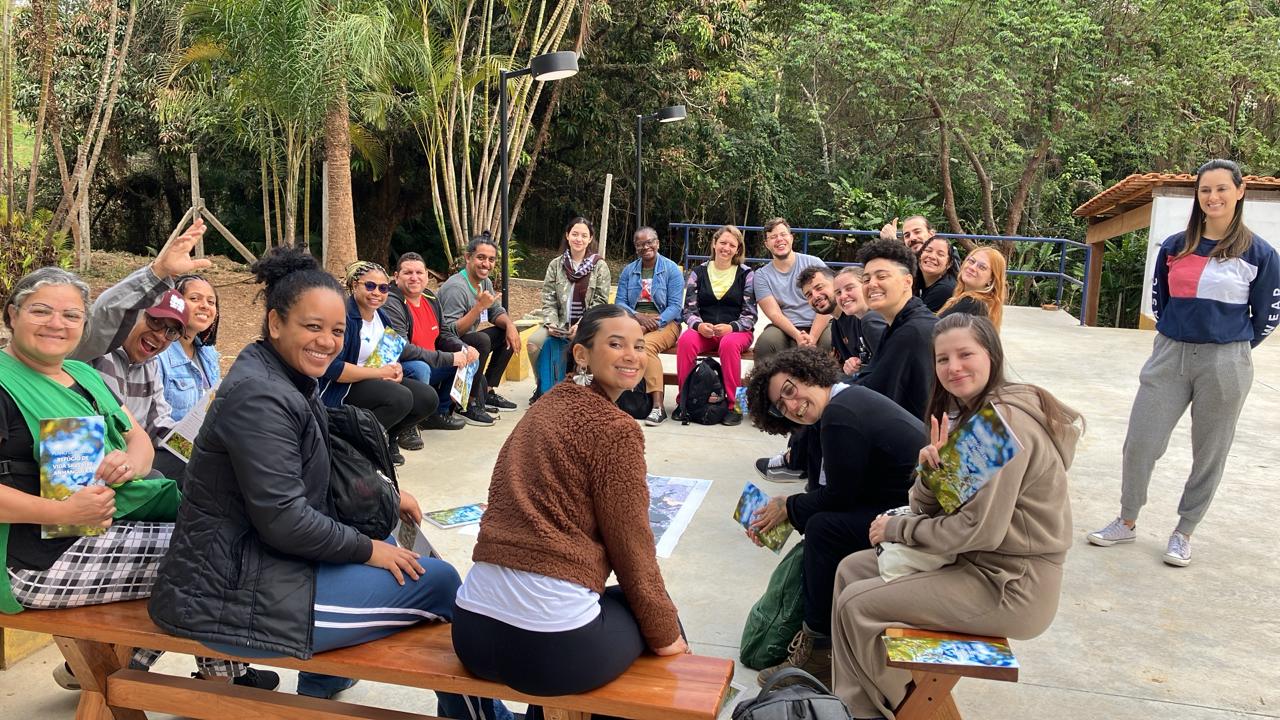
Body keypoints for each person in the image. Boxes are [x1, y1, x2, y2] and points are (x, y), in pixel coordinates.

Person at [147, 248, 508, 718]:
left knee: (392, 538)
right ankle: (481, 716)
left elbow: (323, 472)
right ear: (276, 323)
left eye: (337, 331)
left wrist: (388, 498)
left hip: (259, 568)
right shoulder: (261, 396)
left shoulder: (284, 375)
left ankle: (323, 678)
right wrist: (370, 549)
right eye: (312, 327)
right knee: (441, 585)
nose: (327, 342)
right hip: (237, 595)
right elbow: (285, 520)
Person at [0, 266, 267, 690]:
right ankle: (220, 686)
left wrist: (130, 461)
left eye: (71, 316)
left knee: (220, 530)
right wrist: (59, 509)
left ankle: (121, 673)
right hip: (34, 561)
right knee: (219, 551)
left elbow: (139, 438)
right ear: (11, 314)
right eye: (41, 311)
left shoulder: (82, 375)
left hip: (99, 527)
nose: (57, 324)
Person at [831, 312, 1083, 718]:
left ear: (992, 355)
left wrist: (898, 529)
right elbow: (935, 507)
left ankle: (885, 708)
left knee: (858, 604)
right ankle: (853, 700)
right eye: (942, 359)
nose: (954, 367)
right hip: (974, 566)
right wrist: (930, 475)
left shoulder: (1002, 423)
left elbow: (977, 531)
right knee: (851, 571)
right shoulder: (973, 416)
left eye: (966, 354)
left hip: (1012, 585)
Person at [452, 304, 688, 720]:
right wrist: (667, 635)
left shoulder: (543, 407)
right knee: (662, 627)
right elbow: (632, 546)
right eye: (615, 344)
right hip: (550, 648)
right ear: (582, 354)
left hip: (473, 633)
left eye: (638, 345)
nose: (632, 355)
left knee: (627, 611)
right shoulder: (617, 431)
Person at [1088, 158, 1279, 566]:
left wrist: (1231, 348)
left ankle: (1184, 530)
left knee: (1210, 451)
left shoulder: (1261, 254)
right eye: (1205, 189)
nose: (1213, 197)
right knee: (1141, 440)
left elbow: (1266, 317)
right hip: (1171, 353)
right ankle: (1126, 520)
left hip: (1226, 361)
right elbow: (1160, 301)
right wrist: (1177, 334)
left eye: (1222, 189)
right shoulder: (1175, 246)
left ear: (1240, 192)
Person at [742, 348, 925, 688]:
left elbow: (839, 497)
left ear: (808, 374)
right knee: (817, 524)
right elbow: (827, 490)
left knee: (823, 529)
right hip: (894, 504)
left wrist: (789, 508)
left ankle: (820, 651)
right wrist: (783, 515)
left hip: (915, 517)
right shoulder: (831, 410)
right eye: (782, 407)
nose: (793, 406)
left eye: (790, 390)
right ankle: (821, 636)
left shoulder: (841, 413)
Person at [318, 261, 439, 465]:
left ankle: (387, 437)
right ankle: (354, 449)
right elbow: (332, 369)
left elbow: (390, 353)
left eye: (383, 288)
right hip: (342, 388)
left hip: (373, 379)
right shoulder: (343, 317)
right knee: (400, 397)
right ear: (355, 285)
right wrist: (378, 373)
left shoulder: (382, 317)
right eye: (370, 286)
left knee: (427, 398)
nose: (377, 293)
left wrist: (397, 369)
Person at [675, 225, 758, 425]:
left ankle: (737, 406)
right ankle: (684, 401)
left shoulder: (746, 274)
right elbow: (688, 310)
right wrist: (698, 325)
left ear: (738, 249)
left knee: (729, 345)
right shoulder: (698, 272)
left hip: (737, 333)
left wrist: (732, 327)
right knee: (686, 340)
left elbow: (751, 314)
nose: (726, 248)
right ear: (714, 244)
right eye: (722, 243)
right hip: (705, 331)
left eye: (732, 245)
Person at [436, 234, 521, 426]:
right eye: (481, 258)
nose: (486, 264)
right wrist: (478, 308)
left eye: (491, 260)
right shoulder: (456, 288)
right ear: (468, 258)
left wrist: (510, 325)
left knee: (504, 333)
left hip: (466, 339)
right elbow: (449, 332)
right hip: (447, 344)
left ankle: (487, 391)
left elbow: (495, 311)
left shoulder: (485, 282)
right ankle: (468, 403)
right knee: (481, 340)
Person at [384, 252, 472, 432]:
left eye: (419, 273)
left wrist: (463, 348)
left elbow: (444, 333)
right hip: (401, 366)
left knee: (469, 356)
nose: (414, 278)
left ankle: (438, 414)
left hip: (430, 361)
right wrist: (448, 358)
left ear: (427, 276)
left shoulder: (430, 298)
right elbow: (402, 349)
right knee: (420, 368)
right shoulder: (392, 303)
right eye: (408, 273)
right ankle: (407, 426)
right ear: (396, 277)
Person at [850, 238, 937, 420]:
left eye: (881, 277)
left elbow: (881, 396)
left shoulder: (913, 332)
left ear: (907, 282)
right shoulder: (898, 323)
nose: (872, 284)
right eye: (866, 279)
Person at [527, 217, 611, 399]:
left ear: (590, 239)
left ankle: (586, 390)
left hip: (587, 325)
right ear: (567, 235)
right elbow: (548, 297)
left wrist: (582, 324)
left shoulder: (599, 266)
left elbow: (601, 301)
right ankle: (543, 384)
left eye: (583, 235)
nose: (578, 239)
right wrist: (552, 324)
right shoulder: (556, 265)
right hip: (559, 324)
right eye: (574, 234)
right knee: (534, 343)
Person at [614, 226, 685, 425]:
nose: (645, 247)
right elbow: (620, 302)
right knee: (612, 344)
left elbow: (675, 306)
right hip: (634, 320)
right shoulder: (630, 271)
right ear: (635, 248)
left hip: (665, 322)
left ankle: (658, 406)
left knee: (645, 347)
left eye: (649, 242)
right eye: (640, 244)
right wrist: (638, 317)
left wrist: (653, 323)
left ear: (657, 243)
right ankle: (615, 398)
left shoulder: (671, 269)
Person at [752, 217, 832, 361]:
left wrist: (812, 337)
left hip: (818, 322)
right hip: (785, 328)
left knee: (831, 340)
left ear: (791, 238)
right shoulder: (762, 275)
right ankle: (769, 383)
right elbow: (774, 313)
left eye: (783, 234)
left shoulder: (814, 263)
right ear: (767, 244)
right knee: (766, 342)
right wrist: (797, 335)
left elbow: (828, 302)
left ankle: (834, 383)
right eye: (773, 237)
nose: (779, 239)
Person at [799, 265, 886, 380]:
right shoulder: (837, 325)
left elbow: (892, 366)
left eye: (819, 288)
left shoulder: (869, 318)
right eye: (809, 295)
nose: (815, 296)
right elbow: (840, 366)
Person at [157, 274, 221, 423]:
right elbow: (154, 422)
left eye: (211, 302)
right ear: (175, 303)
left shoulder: (209, 352)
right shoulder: (158, 355)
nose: (205, 305)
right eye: (194, 299)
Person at [939, 246, 1007, 330]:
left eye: (982, 267)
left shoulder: (973, 304)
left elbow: (934, 332)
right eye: (971, 261)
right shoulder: (981, 303)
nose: (972, 268)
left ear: (991, 279)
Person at [913, 236, 958, 313]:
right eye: (928, 250)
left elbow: (917, 320)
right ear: (920, 255)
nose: (932, 256)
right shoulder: (917, 278)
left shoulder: (945, 289)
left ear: (949, 264)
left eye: (940, 254)